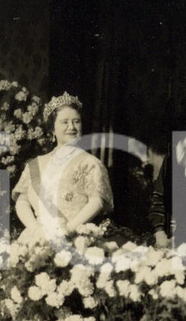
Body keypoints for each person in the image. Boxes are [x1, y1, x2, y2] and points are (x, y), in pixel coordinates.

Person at [13, 92, 113, 244]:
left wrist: (68, 230)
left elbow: (96, 201)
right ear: (52, 129)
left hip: (75, 237)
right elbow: (22, 201)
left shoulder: (90, 163)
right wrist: (35, 230)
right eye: (64, 122)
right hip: (37, 238)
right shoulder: (35, 164)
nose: (71, 127)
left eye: (76, 121)